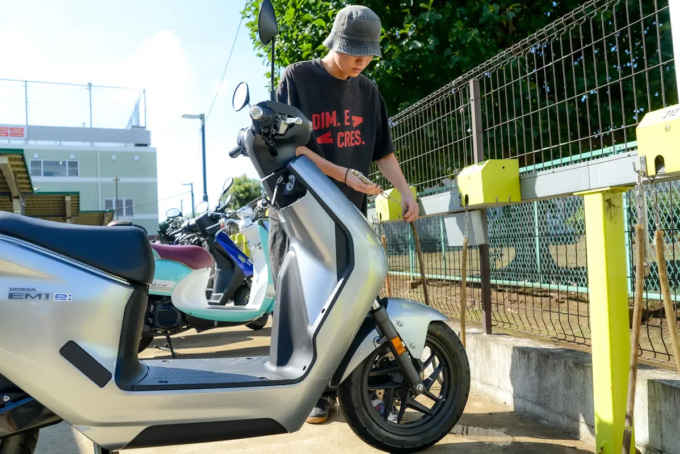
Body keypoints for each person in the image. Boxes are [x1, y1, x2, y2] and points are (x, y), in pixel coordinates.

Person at [269, 4, 419, 424]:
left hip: (347, 216)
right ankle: (313, 392)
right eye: (355, 53)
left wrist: (406, 192)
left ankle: (354, 387)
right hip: (299, 213)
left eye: (368, 55)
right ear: (336, 43)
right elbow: (288, 147)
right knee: (304, 304)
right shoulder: (297, 79)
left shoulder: (369, 92)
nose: (362, 62)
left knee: (352, 304)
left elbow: (383, 151)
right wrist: (343, 175)